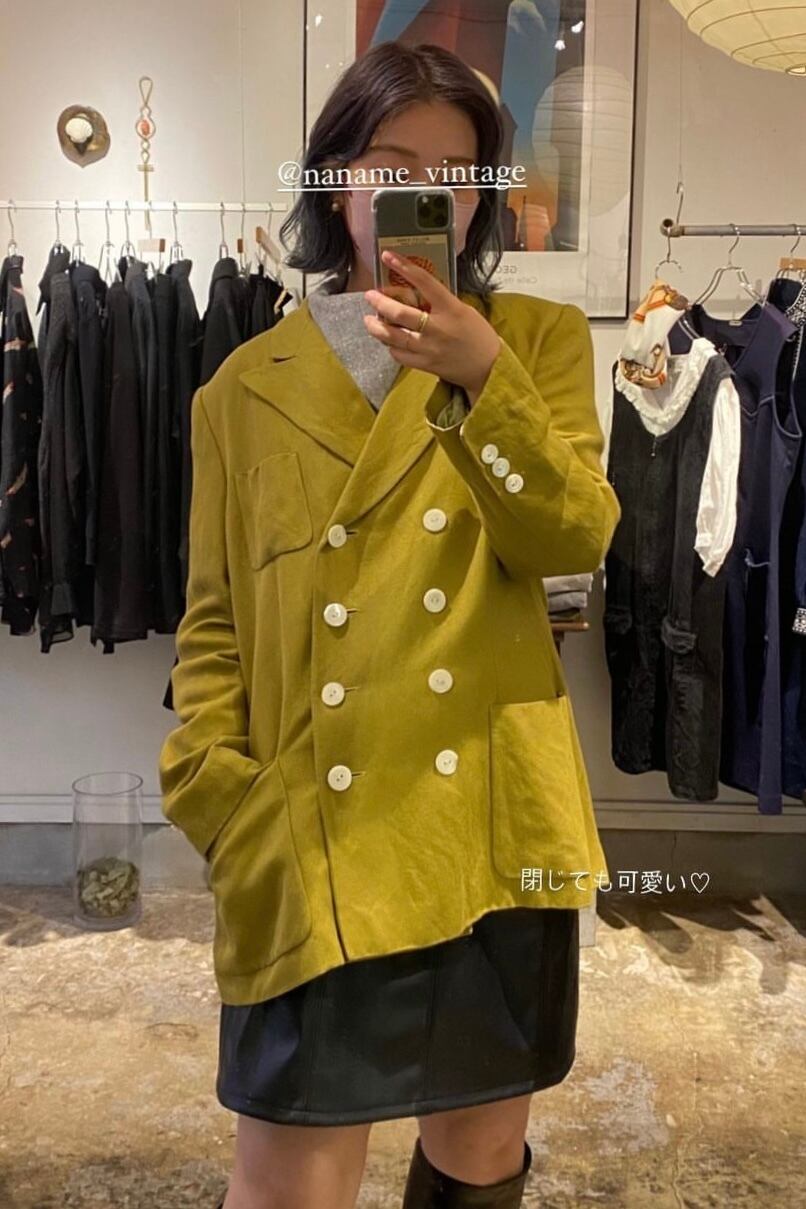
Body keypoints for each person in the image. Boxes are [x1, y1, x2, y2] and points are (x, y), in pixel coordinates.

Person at [159, 39, 621, 1209]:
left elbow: (569, 539)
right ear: (333, 182)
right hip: (306, 829)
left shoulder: (534, 346)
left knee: (477, 1160)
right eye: (390, 164)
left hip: (486, 832)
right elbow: (213, 620)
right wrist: (217, 791)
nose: (425, 192)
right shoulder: (240, 389)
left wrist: (483, 378)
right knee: (288, 1179)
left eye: (455, 173)